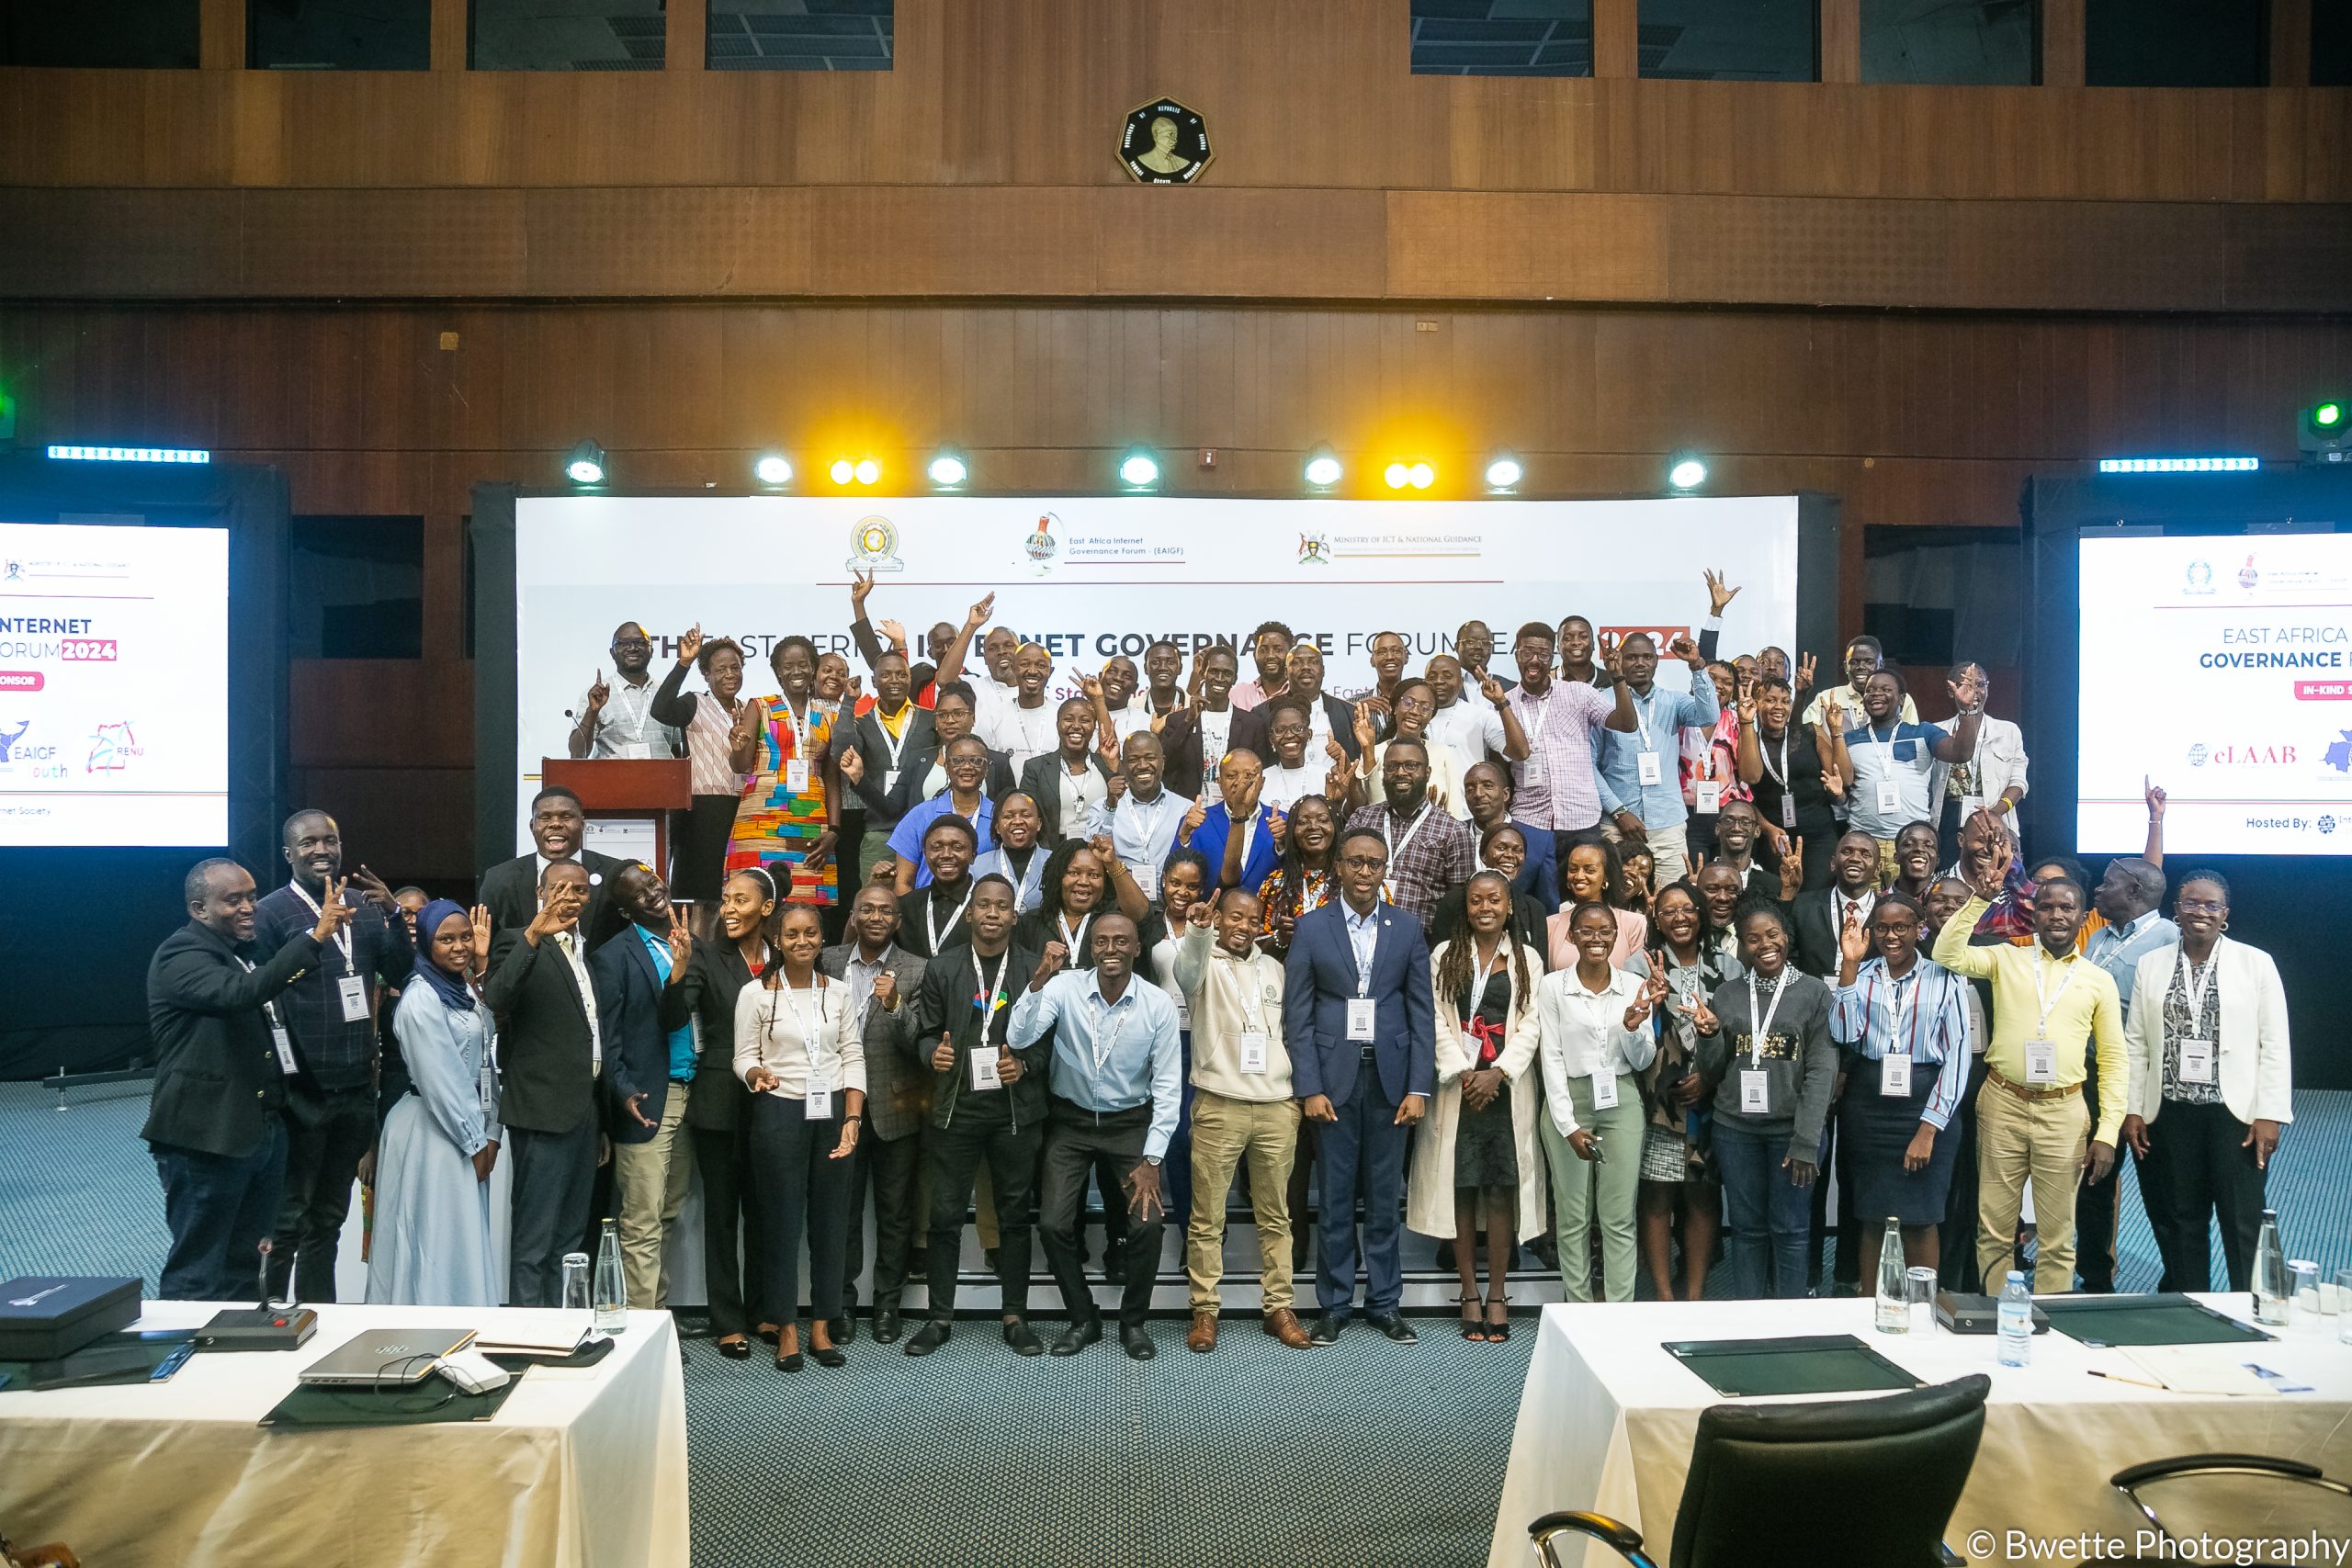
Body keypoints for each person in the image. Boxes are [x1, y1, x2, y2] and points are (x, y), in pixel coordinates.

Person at [145, 859, 350, 1300]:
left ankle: (231, 1358)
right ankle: (182, 1363)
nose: (248, 908)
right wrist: (314, 937)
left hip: (259, 1130)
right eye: (232, 900)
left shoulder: (245, 953)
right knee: (198, 1268)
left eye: (252, 896)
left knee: (246, 1264)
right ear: (199, 909)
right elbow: (240, 996)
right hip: (205, 1135)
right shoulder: (180, 954)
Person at [1935, 864, 2127, 1294]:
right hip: (2003, 1103)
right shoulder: (2006, 957)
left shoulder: (2099, 981)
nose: (2056, 915)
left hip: (2064, 1111)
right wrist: (1978, 901)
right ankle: (1995, 1320)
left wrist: (2108, 1131)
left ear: (2082, 917)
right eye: (2047, 907)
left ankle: (2051, 1328)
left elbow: (2114, 1060)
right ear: (2033, 914)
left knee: (2057, 1237)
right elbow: (1947, 954)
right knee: (1995, 1230)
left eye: (2066, 907)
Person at [1283, 828, 1434, 1344]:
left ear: (1384, 868)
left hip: (1392, 1082)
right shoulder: (1311, 928)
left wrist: (1419, 1086)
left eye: (1374, 863)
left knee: (1384, 1199)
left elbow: (1422, 1014)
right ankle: (1333, 1305)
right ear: (1340, 869)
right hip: (1333, 1081)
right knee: (1337, 1200)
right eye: (1356, 863)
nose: (1365, 872)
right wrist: (1309, 1087)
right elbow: (1297, 1017)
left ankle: (1385, 1303)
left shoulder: (1408, 928)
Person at [1010, 912, 1182, 1359]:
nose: (1111, 949)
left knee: (1148, 1224)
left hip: (1129, 1125)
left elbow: (1167, 1088)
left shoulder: (1157, 1004)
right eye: (1102, 941)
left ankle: (1134, 1323)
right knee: (1052, 1224)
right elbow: (1019, 1035)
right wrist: (1038, 981)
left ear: (1137, 948)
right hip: (1071, 1123)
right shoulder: (1064, 987)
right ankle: (1083, 1318)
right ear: (1091, 948)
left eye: (1121, 941)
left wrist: (1153, 1160)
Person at [252, 810, 408, 1303]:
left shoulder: (362, 905)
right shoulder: (271, 913)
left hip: (356, 1086)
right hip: (302, 1089)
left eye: (330, 840)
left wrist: (395, 916)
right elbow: (257, 988)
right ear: (288, 854)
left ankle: (321, 1317)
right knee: (289, 1218)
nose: (321, 850)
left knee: (330, 1218)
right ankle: (270, 1318)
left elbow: (399, 971)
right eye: (308, 843)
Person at [2120, 871, 2292, 1293]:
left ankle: (2254, 1311)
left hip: (2234, 1115)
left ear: (2225, 914)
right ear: (2176, 911)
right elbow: (2137, 1043)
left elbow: (2275, 1043)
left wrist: (2269, 1114)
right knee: (2180, 1218)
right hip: (2171, 1111)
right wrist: (2133, 1107)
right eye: (2191, 903)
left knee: (2242, 1218)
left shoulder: (2256, 963)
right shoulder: (2152, 964)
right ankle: (2191, 1310)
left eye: (2211, 905)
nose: (2201, 911)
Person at [902, 875, 1049, 1357]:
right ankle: (939, 1317)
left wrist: (1024, 1064)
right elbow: (923, 1032)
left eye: (1001, 906)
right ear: (969, 914)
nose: (991, 913)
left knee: (1012, 1217)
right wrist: (932, 1056)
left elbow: (1053, 1045)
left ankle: (1015, 1316)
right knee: (944, 1217)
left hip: (1014, 1113)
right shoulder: (943, 968)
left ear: (1013, 915)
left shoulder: (1033, 970)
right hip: (954, 1111)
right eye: (982, 905)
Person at [1172, 886, 1313, 1351]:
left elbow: (1292, 1031)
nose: (1244, 927)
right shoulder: (1201, 964)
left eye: (1253, 921)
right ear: (1220, 921)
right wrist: (1196, 928)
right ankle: (1205, 1310)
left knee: (1277, 1216)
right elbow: (1184, 969)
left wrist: (1292, 1099)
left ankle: (1278, 1306)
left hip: (1276, 1105)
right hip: (1219, 1104)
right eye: (1235, 918)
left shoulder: (1275, 968)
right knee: (1207, 1218)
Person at [1413, 873, 1545, 1337]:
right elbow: (1431, 1018)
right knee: (1462, 1190)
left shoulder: (1527, 959)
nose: (1484, 907)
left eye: (1494, 899)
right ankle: (1469, 1291)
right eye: (1475, 900)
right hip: (1461, 1089)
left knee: (1501, 1190)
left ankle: (1497, 1293)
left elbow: (1532, 1022)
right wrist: (1464, 1072)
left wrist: (1500, 1071)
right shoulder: (1443, 956)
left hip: (1505, 1088)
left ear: (1510, 906)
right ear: (1465, 907)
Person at [737, 904, 864, 1371]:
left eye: (811, 933)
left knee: (831, 1224)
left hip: (832, 1112)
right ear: (778, 940)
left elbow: (853, 1057)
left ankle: (822, 1327)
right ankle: (786, 1327)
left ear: (821, 938)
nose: (802, 942)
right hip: (778, 1111)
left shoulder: (841, 993)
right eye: (792, 934)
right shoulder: (756, 994)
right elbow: (742, 1056)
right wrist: (755, 1074)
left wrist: (852, 1120)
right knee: (780, 1223)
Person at [1691, 900, 1838, 1299]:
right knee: (1747, 1230)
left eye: (1772, 935)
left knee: (1791, 1231)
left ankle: (1790, 1320)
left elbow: (1822, 1071)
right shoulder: (1728, 994)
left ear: (1787, 938)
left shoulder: (1815, 993)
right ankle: (1747, 1319)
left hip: (1793, 1134)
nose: (1765, 945)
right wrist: (1708, 1037)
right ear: (1742, 946)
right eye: (1753, 939)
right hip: (1735, 1131)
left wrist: (1807, 1141)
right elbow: (1714, 1069)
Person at [1828, 892, 1971, 1272]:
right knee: (1872, 1216)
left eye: (1901, 928)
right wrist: (1849, 964)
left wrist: (1928, 1129)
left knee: (1921, 1219)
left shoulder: (1946, 977)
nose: (1891, 937)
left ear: (1919, 929)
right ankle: (1870, 1309)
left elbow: (1957, 1058)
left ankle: (1922, 1312)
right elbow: (1844, 1033)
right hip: (1869, 1106)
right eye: (1882, 929)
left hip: (1925, 1101)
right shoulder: (1861, 975)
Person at [368, 900, 499, 1306]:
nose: (459, 946)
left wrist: (492, 1130)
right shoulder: (420, 998)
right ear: (426, 943)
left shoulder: (464, 990)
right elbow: (441, 1078)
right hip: (433, 1130)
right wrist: (475, 1140)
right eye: (446, 939)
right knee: (432, 1235)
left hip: (471, 1128)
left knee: (457, 1235)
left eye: (464, 937)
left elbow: (485, 1064)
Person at [484, 860, 603, 1307]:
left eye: (579, 890)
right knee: (535, 1239)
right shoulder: (517, 941)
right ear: (540, 892)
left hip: (583, 1112)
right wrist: (534, 932)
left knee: (570, 1237)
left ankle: (562, 1329)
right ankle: (525, 1336)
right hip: (541, 1111)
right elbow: (496, 999)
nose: (569, 897)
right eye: (559, 889)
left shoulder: (582, 950)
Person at [1537, 898, 1664, 1304]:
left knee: (1618, 1218)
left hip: (1621, 1099)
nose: (1596, 939)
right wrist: (1568, 1125)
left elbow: (1643, 1058)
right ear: (1571, 936)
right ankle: (1579, 1309)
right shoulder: (1553, 985)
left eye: (1605, 932)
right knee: (1573, 1218)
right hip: (1569, 1099)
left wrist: (1632, 1028)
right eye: (1586, 931)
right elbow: (1551, 1058)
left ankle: (1618, 1313)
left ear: (1616, 936)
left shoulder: (1632, 985)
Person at [680, 866, 782, 1358]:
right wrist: (679, 975)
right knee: (721, 1217)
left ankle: (763, 1311)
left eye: (741, 900)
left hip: (775, 1105)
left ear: (766, 909)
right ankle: (727, 1320)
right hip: (719, 1103)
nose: (729, 909)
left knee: (765, 1213)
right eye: (725, 900)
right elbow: (676, 1013)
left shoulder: (785, 958)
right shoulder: (705, 954)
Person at [831, 884, 937, 1344]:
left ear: (898, 921)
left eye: (886, 911)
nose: (876, 917)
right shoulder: (828, 961)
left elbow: (919, 1040)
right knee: (843, 1212)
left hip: (896, 1108)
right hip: (837, 1108)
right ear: (854, 916)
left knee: (895, 1214)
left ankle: (888, 1306)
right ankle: (842, 1304)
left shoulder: (917, 969)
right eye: (867, 909)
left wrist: (894, 1004)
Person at [589, 863, 697, 1313]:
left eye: (653, 883)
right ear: (627, 912)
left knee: (668, 1211)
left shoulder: (688, 941)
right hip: (647, 1101)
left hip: (690, 1092)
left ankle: (656, 1316)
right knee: (641, 1222)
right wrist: (621, 1090)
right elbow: (608, 1038)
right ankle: (640, 1334)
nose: (653, 893)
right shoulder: (612, 956)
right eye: (639, 894)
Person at [2073, 854, 2177, 1292]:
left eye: (2107, 884)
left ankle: (2179, 1280)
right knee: (2094, 1180)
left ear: (2134, 892)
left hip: (2150, 1080)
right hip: (2098, 1075)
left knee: (2164, 1187)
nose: (2097, 890)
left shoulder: (2170, 938)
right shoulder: (2097, 938)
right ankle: (2095, 1278)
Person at [1628, 882, 1737, 1300]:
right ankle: (1663, 1295)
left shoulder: (1728, 966)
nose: (1679, 918)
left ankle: (1693, 1294)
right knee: (1657, 1195)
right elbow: (1631, 1029)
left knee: (1703, 1196)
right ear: (1657, 918)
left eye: (1688, 909)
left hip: (1711, 1099)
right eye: (1669, 911)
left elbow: (1741, 1033)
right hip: (1660, 1100)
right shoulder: (1640, 964)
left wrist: (1709, 1077)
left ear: (1701, 914)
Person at [1824, 669, 1984, 886]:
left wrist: (1966, 712)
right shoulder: (1850, 738)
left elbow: (1960, 753)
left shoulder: (1924, 732)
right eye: (1870, 690)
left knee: (1906, 913)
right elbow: (1845, 781)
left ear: (1901, 699)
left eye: (1885, 689)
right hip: (1864, 843)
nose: (1876, 694)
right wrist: (1836, 731)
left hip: (1911, 844)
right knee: (1863, 913)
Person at [1595, 630, 1720, 890]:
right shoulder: (1601, 702)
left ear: (1656, 661)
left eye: (1646, 657)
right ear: (1619, 660)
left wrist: (1697, 666)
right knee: (1620, 898)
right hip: (1618, 824)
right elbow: (1588, 765)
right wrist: (1618, 812)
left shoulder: (1672, 701)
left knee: (1671, 899)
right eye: (1631, 657)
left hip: (1667, 825)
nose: (1639, 663)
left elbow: (1708, 715)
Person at [727, 635, 842, 908]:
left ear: (813, 667)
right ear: (778, 671)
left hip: (810, 821)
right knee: (754, 900)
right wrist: (737, 747)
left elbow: (832, 778)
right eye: (787, 666)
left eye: (803, 664)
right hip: (760, 820)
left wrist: (835, 831)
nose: (796, 672)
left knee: (806, 906)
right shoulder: (759, 706)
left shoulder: (829, 716)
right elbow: (740, 765)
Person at [649, 626, 753, 903]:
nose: (730, 674)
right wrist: (684, 662)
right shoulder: (694, 703)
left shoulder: (749, 710)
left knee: (736, 891)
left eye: (735, 667)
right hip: (703, 811)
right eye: (720, 670)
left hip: (742, 809)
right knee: (701, 895)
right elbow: (660, 710)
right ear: (707, 675)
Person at [1506, 622, 1638, 836]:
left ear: (1553, 657)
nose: (1534, 661)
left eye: (1543, 655)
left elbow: (1627, 724)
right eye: (1527, 653)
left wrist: (1617, 677)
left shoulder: (1580, 693)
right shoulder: (1504, 704)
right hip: (1529, 820)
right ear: (1517, 654)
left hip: (1581, 818)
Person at [1344, 737, 1475, 926]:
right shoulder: (1362, 819)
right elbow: (1342, 877)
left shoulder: (1453, 830)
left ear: (1427, 773)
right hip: (1358, 934)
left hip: (1420, 943)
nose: (1400, 773)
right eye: (1392, 766)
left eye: (1411, 766)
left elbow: (1458, 903)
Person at [479, 784, 626, 951]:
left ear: (582, 825)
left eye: (566, 817)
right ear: (532, 826)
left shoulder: (614, 874)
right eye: (545, 818)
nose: (555, 824)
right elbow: (486, 947)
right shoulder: (499, 879)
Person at [838, 646, 936, 887]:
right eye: (886, 674)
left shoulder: (930, 720)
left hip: (924, 831)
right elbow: (841, 749)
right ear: (873, 680)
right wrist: (849, 701)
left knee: (919, 907)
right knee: (874, 906)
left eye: (901, 674)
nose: (895, 680)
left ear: (910, 678)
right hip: (880, 831)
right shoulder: (863, 724)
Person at [1736, 674, 1838, 892]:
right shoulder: (1748, 738)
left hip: (1819, 835)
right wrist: (1767, 828)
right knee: (1781, 897)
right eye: (1770, 700)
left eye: (1784, 701)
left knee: (1815, 897)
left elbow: (1839, 777)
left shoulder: (1811, 732)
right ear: (1756, 703)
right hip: (1775, 838)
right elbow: (1750, 780)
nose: (1778, 707)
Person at [1926, 661, 2028, 867]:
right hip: (1948, 819)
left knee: (1994, 879)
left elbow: (2019, 783)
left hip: (1995, 817)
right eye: (1966, 685)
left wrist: (1996, 812)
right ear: (1950, 690)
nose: (1974, 692)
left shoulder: (2008, 731)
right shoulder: (1937, 731)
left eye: (1980, 685)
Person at [1088, 731, 1190, 903]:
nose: (1142, 765)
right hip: (1119, 905)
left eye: (1150, 758)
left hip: (1172, 905)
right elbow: (1092, 848)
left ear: (1163, 762)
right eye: (1133, 760)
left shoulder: (1185, 809)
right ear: (1123, 765)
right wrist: (1111, 805)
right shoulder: (1104, 806)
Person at [888, 736, 999, 893]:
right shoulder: (920, 815)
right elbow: (904, 882)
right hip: (928, 910)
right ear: (946, 767)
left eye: (976, 761)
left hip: (981, 911)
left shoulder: (999, 817)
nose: (967, 766)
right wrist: (913, 916)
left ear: (987, 769)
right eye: (958, 760)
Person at [1355, 678, 1474, 820]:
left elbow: (1455, 812)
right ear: (1395, 708)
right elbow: (1371, 807)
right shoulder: (1374, 752)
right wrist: (1368, 751)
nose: (1415, 712)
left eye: (1425, 708)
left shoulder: (1443, 753)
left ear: (1431, 716)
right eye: (1408, 703)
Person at [1429, 822, 1550, 953]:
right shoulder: (1454, 901)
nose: (1510, 855)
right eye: (1501, 848)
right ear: (1483, 855)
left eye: (1517, 850)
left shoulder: (1535, 910)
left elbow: (1541, 966)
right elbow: (1438, 956)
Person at [570, 620, 682, 760]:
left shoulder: (665, 693)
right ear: (612, 653)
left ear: (651, 651)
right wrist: (592, 712)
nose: (632, 648)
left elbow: (677, 752)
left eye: (640, 642)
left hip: (662, 780)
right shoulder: (597, 695)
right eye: (623, 643)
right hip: (612, 780)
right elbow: (577, 754)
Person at [1233, 643, 1360, 765]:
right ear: (1286, 672)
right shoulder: (1263, 714)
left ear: (1323, 670)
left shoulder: (1348, 713)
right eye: (1297, 662)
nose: (1306, 667)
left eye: (1313, 662)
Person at [1177, 749, 1283, 895]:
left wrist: (1284, 844)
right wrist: (1184, 837)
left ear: (1262, 782)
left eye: (1249, 776)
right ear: (1219, 782)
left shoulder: (1282, 821)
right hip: (1213, 912)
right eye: (1232, 776)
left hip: (1267, 914)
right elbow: (1174, 876)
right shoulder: (1199, 821)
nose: (1240, 783)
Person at [1016, 697, 1115, 848]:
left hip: (1100, 851)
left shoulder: (1105, 765)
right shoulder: (1036, 768)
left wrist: (1114, 764)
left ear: (1094, 726)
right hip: (1053, 852)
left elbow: (1124, 801)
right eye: (1068, 719)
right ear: (1057, 725)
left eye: (1085, 720)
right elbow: (1026, 814)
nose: (1076, 726)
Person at [1425, 653, 1528, 786]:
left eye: (1447, 676)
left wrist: (1501, 703)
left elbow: (1520, 752)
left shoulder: (1479, 716)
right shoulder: (1413, 717)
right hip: (1424, 805)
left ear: (1461, 682)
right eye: (1432, 677)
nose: (1439, 681)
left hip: (1466, 806)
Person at [1462, 761, 1555, 905]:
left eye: (1487, 786)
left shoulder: (1540, 841)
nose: (1478, 794)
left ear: (1505, 794)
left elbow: (1548, 906)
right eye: (1470, 789)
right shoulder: (1453, 835)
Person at [1792, 830, 1883, 977]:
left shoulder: (1887, 912)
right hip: (1813, 997)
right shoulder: (1802, 906)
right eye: (1847, 852)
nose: (1855, 858)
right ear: (1833, 863)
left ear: (1877, 870)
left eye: (1865, 855)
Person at [1547, 838, 1647, 968]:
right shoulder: (1550, 925)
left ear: (1606, 875)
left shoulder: (1635, 925)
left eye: (1589, 870)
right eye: (1573, 869)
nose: (1579, 876)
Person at [1157, 642, 1240, 797]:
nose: (1220, 678)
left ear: (1235, 678)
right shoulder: (1178, 720)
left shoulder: (1251, 724)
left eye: (1227, 673)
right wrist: (1187, 721)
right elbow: (1163, 765)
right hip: (1190, 811)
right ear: (1203, 674)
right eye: (1214, 672)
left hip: (1236, 811)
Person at [898, 814, 981, 959]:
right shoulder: (906, 905)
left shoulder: (986, 905)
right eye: (936, 848)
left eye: (957, 847)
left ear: (973, 855)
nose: (946, 855)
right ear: (925, 854)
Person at [1800, 634, 1917, 729]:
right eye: (1854, 662)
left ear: (1881, 665)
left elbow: (1912, 739)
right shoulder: (1826, 698)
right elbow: (1801, 733)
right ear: (1846, 666)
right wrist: (1801, 694)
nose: (1861, 667)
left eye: (1869, 662)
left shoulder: (1899, 698)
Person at [982, 641, 1062, 768]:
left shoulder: (1062, 716)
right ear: (1013, 668)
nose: (1032, 671)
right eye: (1025, 664)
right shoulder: (993, 717)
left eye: (1041, 665)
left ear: (1050, 672)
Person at [971, 790, 1050, 913]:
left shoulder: (1055, 862)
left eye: (1026, 815)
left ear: (1039, 824)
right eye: (1008, 816)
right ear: (997, 827)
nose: (1018, 821)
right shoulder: (977, 866)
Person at [1255, 698, 1337, 814]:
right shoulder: (1261, 780)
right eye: (1280, 730)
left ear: (1309, 735)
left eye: (1297, 728)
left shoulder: (1326, 776)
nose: (1289, 735)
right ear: (1271, 739)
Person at [1228, 620, 1292, 711]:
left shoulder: (1299, 693)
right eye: (1263, 650)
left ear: (1290, 655)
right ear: (1254, 655)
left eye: (1278, 650)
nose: (1270, 656)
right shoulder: (1237, 694)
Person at [1453, 618, 1513, 694]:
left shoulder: (1510, 688)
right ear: (1457, 647)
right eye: (1471, 642)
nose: (1479, 647)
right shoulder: (1441, 685)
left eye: (1485, 643)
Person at [1890, 819, 1941, 905]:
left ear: (1937, 860)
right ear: (1896, 858)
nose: (1919, 849)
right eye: (1909, 844)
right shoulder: (1878, 904)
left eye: (1928, 845)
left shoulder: (1945, 905)